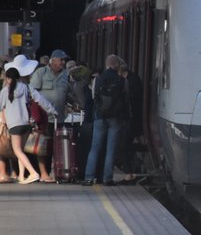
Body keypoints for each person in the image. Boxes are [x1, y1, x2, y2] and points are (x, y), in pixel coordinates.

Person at [0, 55, 58, 184]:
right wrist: (53, 111)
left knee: (18, 151)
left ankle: (33, 173)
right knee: (21, 150)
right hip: (26, 124)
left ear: (8, 78)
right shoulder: (26, 87)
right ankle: (21, 176)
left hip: (14, 125)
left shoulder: (5, 91)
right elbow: (41, 100)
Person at [82, 55, 128, 187]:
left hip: (99, 117)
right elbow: (126, 98)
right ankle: (107, 178)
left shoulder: (98, 79)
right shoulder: (122, 80)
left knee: (95, 148)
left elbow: (93, 97)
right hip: (115, 118)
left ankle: (89, 177)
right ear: (117, 65)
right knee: (111, 149)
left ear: (107, 64)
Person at [30, 49, 71, 182]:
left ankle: (55, 173)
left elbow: (69, 94)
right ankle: (42, 173)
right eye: (61, 60)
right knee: (42, 146)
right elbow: (32, 93)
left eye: (64, 60)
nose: (63, 63)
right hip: (44, 119)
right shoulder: (41, 73)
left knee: (57, 147)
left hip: (59, 119)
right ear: (53, 60)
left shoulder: (65, 75)